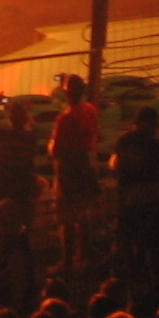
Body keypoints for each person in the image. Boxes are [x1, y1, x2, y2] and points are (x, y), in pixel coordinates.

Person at [0, 95, 42, 312]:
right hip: (23, 193)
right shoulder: (30, 137)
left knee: (1, 239)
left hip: (3, 192)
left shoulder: (1, 136)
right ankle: (29, 284)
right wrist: (28, 114)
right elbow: (34, 127)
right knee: (24, 240)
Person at [110, 105, 159, 286]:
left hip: (128, 201)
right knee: (152, 245)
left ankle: (126, 279)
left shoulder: (123, 141)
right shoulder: (157, 145)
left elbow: (115, 165)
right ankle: (154, 281)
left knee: (126, 242)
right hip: (151, 203)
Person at [50, 75, 101, 279]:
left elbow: (56, 151)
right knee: (83, 213)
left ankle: (68, 261)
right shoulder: (90, 110)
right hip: (85, 165)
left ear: (67, 92)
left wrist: (51, 144)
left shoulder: (66, 118)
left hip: (69, 169)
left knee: (67, 217)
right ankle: (86, 254)